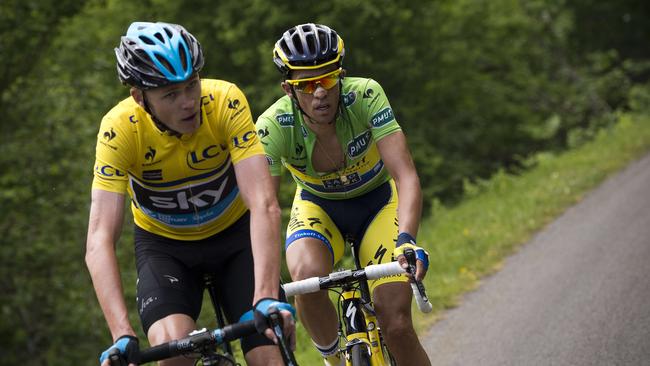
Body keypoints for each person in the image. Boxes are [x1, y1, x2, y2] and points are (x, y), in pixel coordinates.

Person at [85, 21, 295, 366]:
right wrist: (121, 333)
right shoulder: (119, 129)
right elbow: (99, 238)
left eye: (191, 85)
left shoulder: (225, 100)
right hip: (167, 249)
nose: (188, 103)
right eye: (170, 94)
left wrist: (265, 298)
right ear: (140, 97)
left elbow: (264, 203)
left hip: (236, 238)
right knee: (173, 352)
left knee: (269, 354)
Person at [256, 23, 431, 365]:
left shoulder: (366, 95)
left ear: (342, 76)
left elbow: (406, 175)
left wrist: (407, 238)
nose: (319, 92)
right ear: (288, 90)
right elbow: (263, 207)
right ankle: (333, 358)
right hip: (318, 208)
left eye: (327, 80)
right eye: (306, 84)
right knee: (305, 277)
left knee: (395, 324)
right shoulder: (272, 126)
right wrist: (263, 277)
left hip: (378, 201)